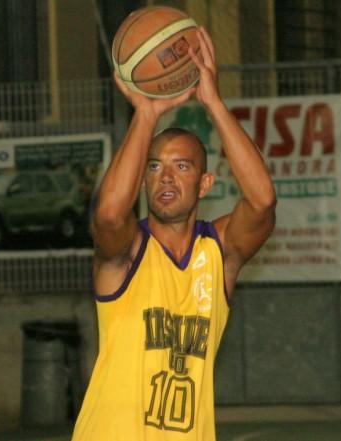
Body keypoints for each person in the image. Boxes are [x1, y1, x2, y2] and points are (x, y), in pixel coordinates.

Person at [71, 27, 276, 441]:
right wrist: (146, 115)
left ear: (204, 184)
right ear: (143, 181)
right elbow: (108, 216)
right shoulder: (128, 252)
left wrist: (214, 103)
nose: (165, 177)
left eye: (181, 167)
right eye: (154, 167)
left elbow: (262, 202)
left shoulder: (217, 253)